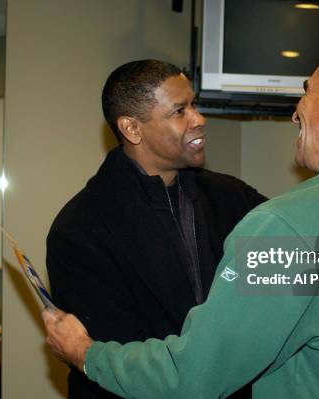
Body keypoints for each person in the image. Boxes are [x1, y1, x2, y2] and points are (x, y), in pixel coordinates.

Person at [43, 45, 319, 398]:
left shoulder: (279, 222)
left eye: (307, 90)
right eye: (181, 110)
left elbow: (195, 374)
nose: (295, 109)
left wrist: (85, 354)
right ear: (132, 129)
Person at [46, 60, 266, 398]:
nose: (199, 119)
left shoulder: (232, 196)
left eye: (194, 104)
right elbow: (112, 362)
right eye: (180, 111)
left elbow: (314, 266)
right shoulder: (79, 230)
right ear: (132, 129)